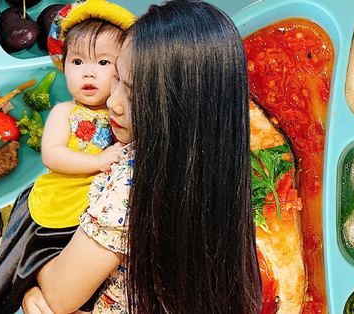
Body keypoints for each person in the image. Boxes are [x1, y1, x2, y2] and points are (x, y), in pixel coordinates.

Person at [23, 1, 263, 313]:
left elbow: (58, 295)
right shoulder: (222, 144)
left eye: (137, 95)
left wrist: (30, 275)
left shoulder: (129, 186)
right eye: (118, 78)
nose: (114, 102)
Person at [0, 1, 136, 313]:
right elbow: (53, 155)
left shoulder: (127, 124)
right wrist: (97, 163)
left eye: (103, 63)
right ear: (63, 63)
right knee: (10, 278)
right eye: (77, 61)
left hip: (88, 221)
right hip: (56, 211)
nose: (88, 71)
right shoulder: (66, 112)